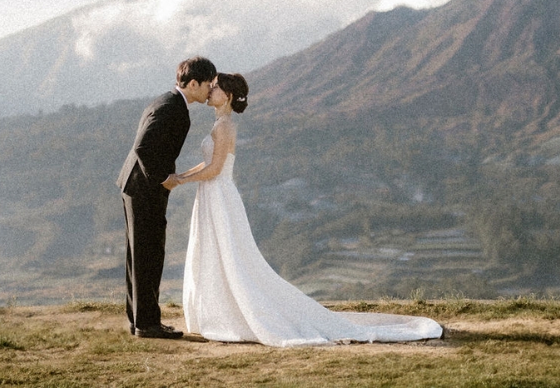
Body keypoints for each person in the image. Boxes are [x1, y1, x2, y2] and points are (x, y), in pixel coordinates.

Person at [169, 72, 443, 346]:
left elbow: (215, 169)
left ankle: (227, 315)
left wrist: (181, 180)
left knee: (228, 257)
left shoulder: (224, 126)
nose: (210, 90)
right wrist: (181, 176)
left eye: (215, 87)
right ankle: (216, 312)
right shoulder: (220, 124)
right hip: (213, 195)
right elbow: (208, 165)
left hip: (218, 196)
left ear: (226, 96)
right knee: (216, 254)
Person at [116, 56, 217, 339]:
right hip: (144, 187)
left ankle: (140, 320)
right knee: (147, 253)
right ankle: (147, 324)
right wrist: (164, 178)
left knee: (141, 253)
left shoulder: (169, 103)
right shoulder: (171, 108)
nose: (211, 90)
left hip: (139, 186)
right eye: (208, 85)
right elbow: (142, 147)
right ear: (193, 83)